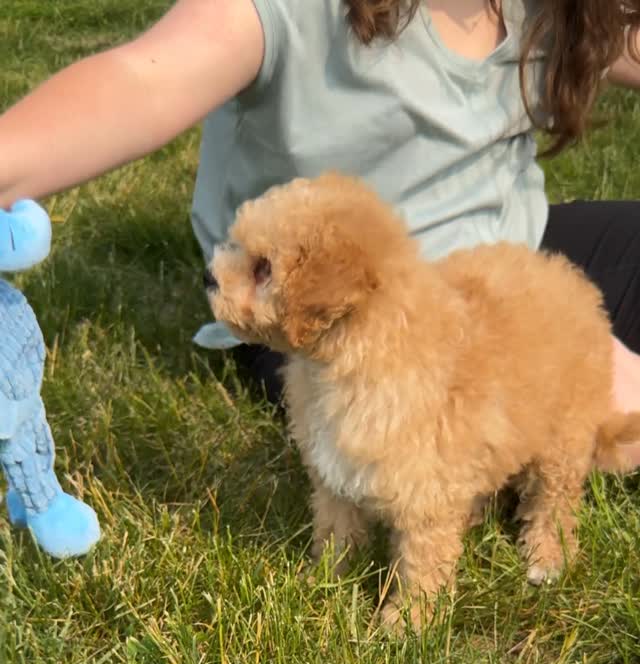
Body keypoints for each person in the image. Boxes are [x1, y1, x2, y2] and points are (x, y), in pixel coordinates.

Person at [1, 0, 640, 450]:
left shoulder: (557, 9)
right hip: (332, 309)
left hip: (507, 262)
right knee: (515, 430)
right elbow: (142, 81)